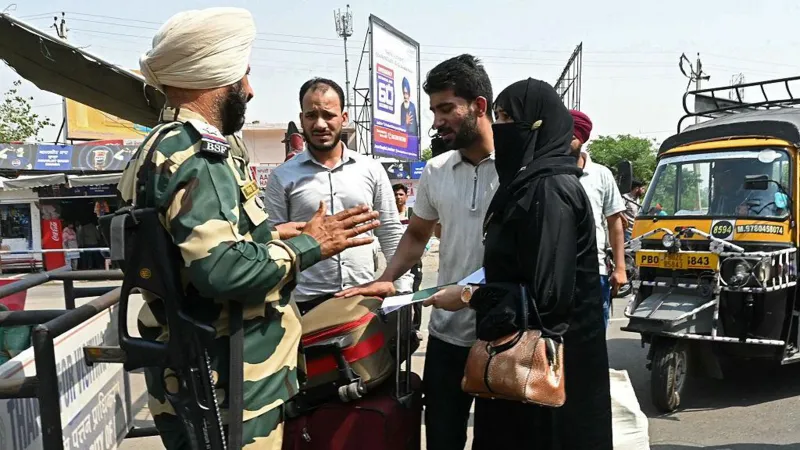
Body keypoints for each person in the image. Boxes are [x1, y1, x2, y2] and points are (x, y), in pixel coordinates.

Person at [120, 8, 381, 449]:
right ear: (217, 78)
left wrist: (272, 237)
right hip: (226, 379)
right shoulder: (198, 156)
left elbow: (187, 247)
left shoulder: (158, 146)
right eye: (243, 76)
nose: (250, 89)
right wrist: (309, 245)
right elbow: (222, 270)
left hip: (193, 367)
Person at [423, 77, 612, 450]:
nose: (500, 128)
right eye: (499, 117)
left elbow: (548, 300)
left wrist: (467, 297)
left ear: (538, 125)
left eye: (508, 119)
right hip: (522, 363)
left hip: (545, 374)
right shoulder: (530, 185)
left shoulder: (551, 190)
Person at [338, 54, 497, 450]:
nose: (437, 121)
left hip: (500, 335)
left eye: (446, 109)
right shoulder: (436, 170)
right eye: (434, 111)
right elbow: (417, 235)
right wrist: (385, 279)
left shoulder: (517, 170)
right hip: (446, 335)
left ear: (479, 106)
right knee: (441, 437)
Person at [264, 77, 412, 315]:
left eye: (328, 115)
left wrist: (401, 289)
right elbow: (272, 240)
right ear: (301, 119)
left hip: (364, 299)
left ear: (344, 118)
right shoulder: (282, 177)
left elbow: (390, 232)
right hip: (305, 304)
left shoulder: (370, 169)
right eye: (311, 115)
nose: (320, 124)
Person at [570, 109, 627, 327]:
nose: (565, 140)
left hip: (595, 270)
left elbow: (615, 223)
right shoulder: (550, 172)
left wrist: (620, 268)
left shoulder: (601, 174)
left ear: (582, 138)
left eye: (571, 136)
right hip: (556, 273)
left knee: (593, 335)